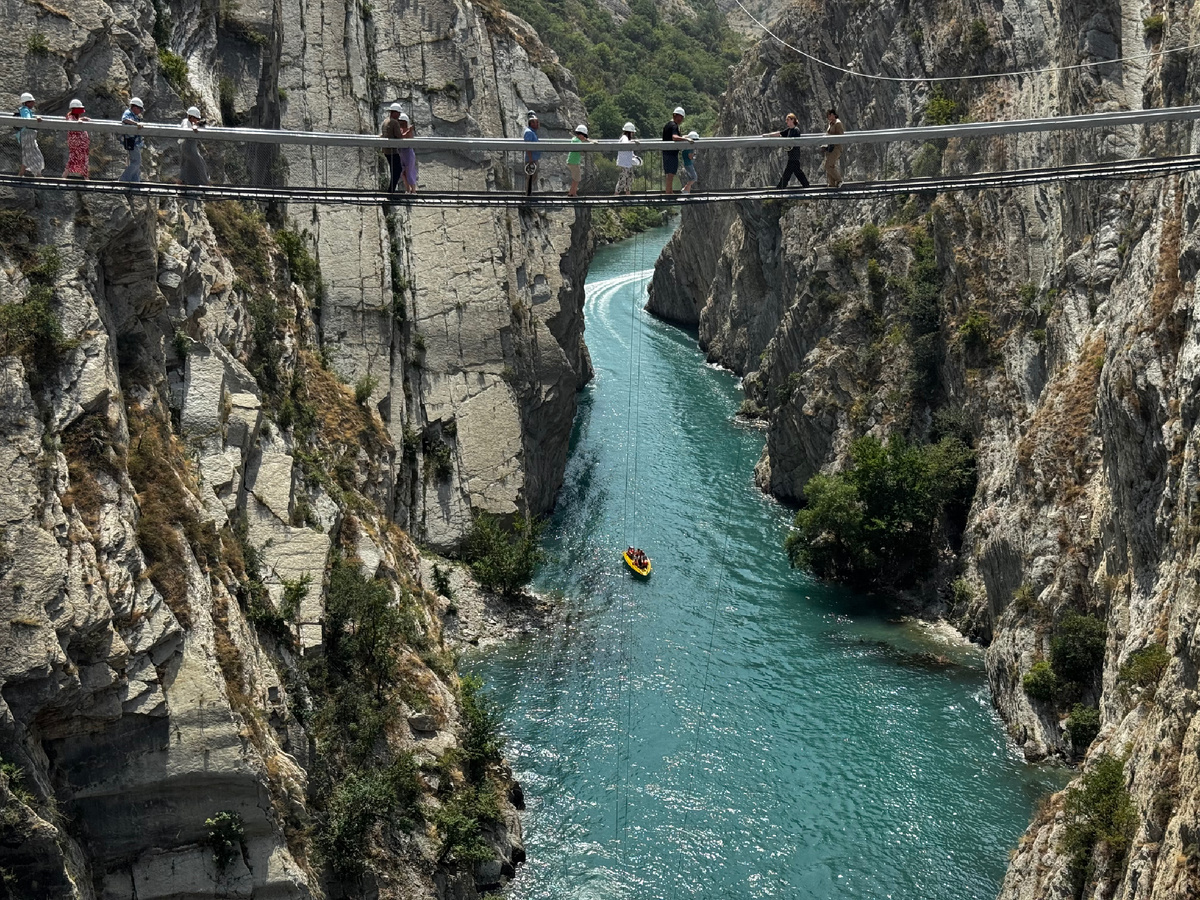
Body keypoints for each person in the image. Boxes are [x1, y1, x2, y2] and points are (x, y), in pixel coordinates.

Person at [764, 112, 809, 189]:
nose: (786, 121)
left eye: (788, 120)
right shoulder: (789, 130)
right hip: (791, 154)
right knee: (797, 171)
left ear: (792, 120)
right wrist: (768, 135)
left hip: (794, 154)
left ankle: (781, 186)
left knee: (788, 172)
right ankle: (806, 185)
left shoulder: (796, 130)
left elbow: (793, 141)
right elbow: (779, 133)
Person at [661, 106, 693, 194]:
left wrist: (682, 137)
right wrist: (686, 139)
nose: (681, 120)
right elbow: (674, 137)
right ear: (676, 116)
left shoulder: (668, 125)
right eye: (681, 117)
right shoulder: (674, 125)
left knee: (669, 173)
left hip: (666, 151)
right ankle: (669, 192)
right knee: (671, 173)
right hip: (671, 153)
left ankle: (669, 191)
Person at [179, 106, 210, 185]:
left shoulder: (193, 122)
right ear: (191, 117)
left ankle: (181, 181)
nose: (197, 120)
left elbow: (201, 124)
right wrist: (193, 127)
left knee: (185, 164)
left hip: (188, 146)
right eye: (196, 118)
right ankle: (206, 182)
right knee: (200, 163)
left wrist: (198, 124)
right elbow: (186, 129)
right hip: (187, 146)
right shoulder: (186, 122)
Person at [15, 93, 43, 177]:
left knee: (30, 154)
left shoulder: (26, 110)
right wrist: (36, 119)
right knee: (31, 154)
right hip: (27, 135)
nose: (33, 103)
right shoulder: (25, 110)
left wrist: (36, 117)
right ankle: (37, 174)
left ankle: (21, 174)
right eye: (31, 102)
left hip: (28, 135)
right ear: (27, 102)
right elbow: (28, 120)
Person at [118, 97, 146, 182]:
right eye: (140, 109)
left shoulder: (134, 115)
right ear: (135, 108)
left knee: (137, 162)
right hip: (131, 141)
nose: (140, 112)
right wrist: (136, 123)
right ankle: (124, 179)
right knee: (136, 162)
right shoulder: (128, 113)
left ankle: (135, 180)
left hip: (135, 142)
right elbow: (125, 119)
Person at [381, 102, 405, 193]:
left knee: (394, 171)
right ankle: (391, 192)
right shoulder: (394, 122)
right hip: (392, 151)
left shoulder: (385, 121)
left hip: (386, 150)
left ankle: (391, 191)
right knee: (397, 170)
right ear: (394, 112)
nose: (399, 115)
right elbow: (399, 136)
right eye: (398, 113)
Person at [63, 99, 91, 179]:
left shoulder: (75, 117)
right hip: (76, 143)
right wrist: (78, 122)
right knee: (74, 158)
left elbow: (76, 120)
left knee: (81, 158)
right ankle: (85, 177)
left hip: (81, 144)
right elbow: (71, 121)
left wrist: (81, 119)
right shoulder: (70, 116)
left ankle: (65, 175)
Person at [566, 124, 592, 197]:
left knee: (575, 178)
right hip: (574, 162)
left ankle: (571, 192)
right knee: (577, 178)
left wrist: (587, 140)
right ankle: (573, 193)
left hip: (573, 161)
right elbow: (582, 151)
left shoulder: (574, 139)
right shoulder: (577, 142)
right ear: (581, 134)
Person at [614, 121, 639, 196]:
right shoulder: (624, 138)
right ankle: (616, 194)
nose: (632, 134)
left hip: (628, 163)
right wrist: (634, 142)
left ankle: (628, 193)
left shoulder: (626, 138)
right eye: (632, 132)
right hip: (624, 163)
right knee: (623, 179)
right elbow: (626, 144)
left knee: (629, 178)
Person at [823, 108, 845, 188]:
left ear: (833, 115)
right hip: (830, 147)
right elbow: (827, 134)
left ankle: (839, 180)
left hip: (836, 147)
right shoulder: (831, 123)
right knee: (830, 165)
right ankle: (831, 184)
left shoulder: (838, 124)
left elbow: (840, 136)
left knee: (828, 165)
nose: (828, 117)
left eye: (829, 115)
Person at [399, 113, 418, 193]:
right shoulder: (400, 129)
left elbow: (404, 137)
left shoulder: (409, 130)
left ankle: (413, 190)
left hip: (408, 153)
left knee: (409, 172)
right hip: (402, 153)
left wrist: (409, 131)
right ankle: (407, 189)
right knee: (402, 173)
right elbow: (400, 136)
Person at [523, 111, 540, 195]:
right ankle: (528, 196)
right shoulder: (529, 132)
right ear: (531, 123)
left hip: (534, 159)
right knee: (529, 178)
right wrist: (530, 160)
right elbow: (528, 147)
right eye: (536, 122)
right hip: (531, 159)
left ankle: (530, 194)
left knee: (532, 177)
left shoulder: (533, 132)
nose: (538, 124)